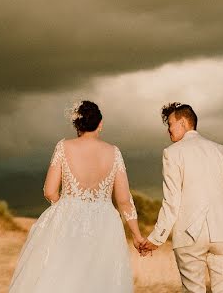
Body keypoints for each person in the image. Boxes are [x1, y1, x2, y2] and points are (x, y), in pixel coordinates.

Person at [8, 100, 144, 292]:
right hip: (105, 223)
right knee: (100, 280)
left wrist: (66, 205)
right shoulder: (114, 153)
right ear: (100, 123)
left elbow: (50, 191)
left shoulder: (64, 147)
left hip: (68, 219)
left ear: (77, 125)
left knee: (63, 277)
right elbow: (123, 200)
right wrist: (137, 235)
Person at [138, 103, 223, 293]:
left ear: (183, 123)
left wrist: (156, 239)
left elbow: (172, 202)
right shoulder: (220, 150)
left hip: (189, 236)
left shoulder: (172, 153)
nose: (168, 130)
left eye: (170, 124)